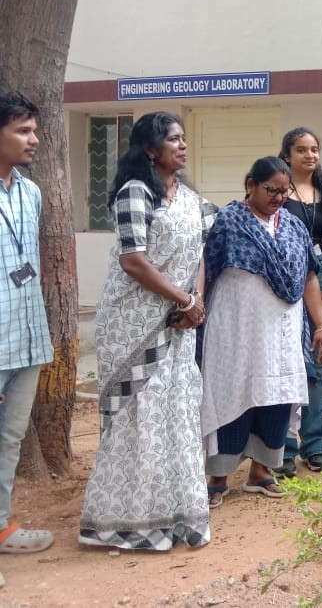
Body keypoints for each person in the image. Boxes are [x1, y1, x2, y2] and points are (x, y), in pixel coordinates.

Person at [80, 112, 215, 550]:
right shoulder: (135, 193)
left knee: (176, 411)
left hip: (179, 322)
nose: (183, 145)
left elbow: (200, 254)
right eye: (173, 139)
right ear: (151, 149)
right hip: (133, 323)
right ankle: (129, 524)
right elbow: (133, 260)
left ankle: (176, 517)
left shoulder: (191, 200)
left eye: (183, 138)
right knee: (140, 415)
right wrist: (184, 300)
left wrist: (194, 301)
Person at [200, 157, 322, 507]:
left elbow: (310, 276)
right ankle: (218, 477)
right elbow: (206, 271)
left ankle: (261, 472)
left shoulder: (293, 226)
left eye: (284, 192)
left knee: (276, 394)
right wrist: (196, 311)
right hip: (235, 330)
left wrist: (319, 324)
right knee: (232, 392)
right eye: (271, 190)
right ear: (250, 185)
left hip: (282, 333)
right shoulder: (228, 222)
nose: (278, 198)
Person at [0, 89, 54, 559]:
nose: (34, 139)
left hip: (27, 338)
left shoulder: (31, 192)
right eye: (23, 130)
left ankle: (1, 528)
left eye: (34, 129)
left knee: (9, 440)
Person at [275, 128, 322, 476]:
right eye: (301, 149)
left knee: (317, 362)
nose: (310, 155)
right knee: (286, 362)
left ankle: (315, 444)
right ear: (287, 155)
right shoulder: (276, 191)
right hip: (284, 274)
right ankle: (282, 447)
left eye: (314, 149)